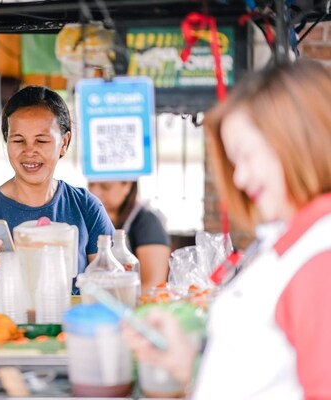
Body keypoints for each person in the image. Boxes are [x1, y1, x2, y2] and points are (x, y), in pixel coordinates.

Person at [123, 59, 331, 399]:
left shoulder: (321, 258)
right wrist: (185, 360)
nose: (239, 178)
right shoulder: (290, 241)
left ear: (298, 141)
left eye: (247, 155)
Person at [0, 86, 114, 279]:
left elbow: (110, 286)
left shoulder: (86, 207)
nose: (29, 151)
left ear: (64, 143)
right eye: (18, 140)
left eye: (41, 141)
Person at [88, 180, 171, 292]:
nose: (95, 191)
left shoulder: (147, 222)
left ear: (127, 185)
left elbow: (153, 284)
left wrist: (115, 302)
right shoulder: (91, 219)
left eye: (105, 186)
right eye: (91, 184)